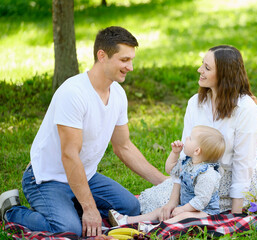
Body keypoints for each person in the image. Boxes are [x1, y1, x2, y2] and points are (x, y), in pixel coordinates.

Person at [0, 26, 167, 237]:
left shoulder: (117, 94)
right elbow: (69, 155)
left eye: (131, 60)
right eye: (124, 60)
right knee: (69, 230)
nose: (130, 67)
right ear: (102, 56)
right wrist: (89, 208)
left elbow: (123, 147)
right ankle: (11, 210)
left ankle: (70, 207)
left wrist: (166, 182)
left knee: (131, 208)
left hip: (85, 176)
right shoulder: (73, 93)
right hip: (47, 178)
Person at [138, 45, 257, 215]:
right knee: (151, 202)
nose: (200, 70)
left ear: (224, 75)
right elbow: (185, 154)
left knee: (178, 212)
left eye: (207, 68)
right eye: (202, 64)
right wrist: (172, 201)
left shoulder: (246, 110)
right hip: (194, 176)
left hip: (227, 181)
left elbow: (243, 164)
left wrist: (235, 216)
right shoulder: (195, 103)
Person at [108, 125, 225, 227]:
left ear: (197, 151)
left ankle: (156, 228)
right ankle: (127, 220)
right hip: (186, 206)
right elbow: (170, 169)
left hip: (205, 212)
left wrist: (183, 209)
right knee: (160, 211)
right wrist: (175, 153)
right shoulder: (188, 162)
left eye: (190, 138)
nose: (186, 138)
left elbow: (201, 201)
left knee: (183, 216)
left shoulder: (207, 174)